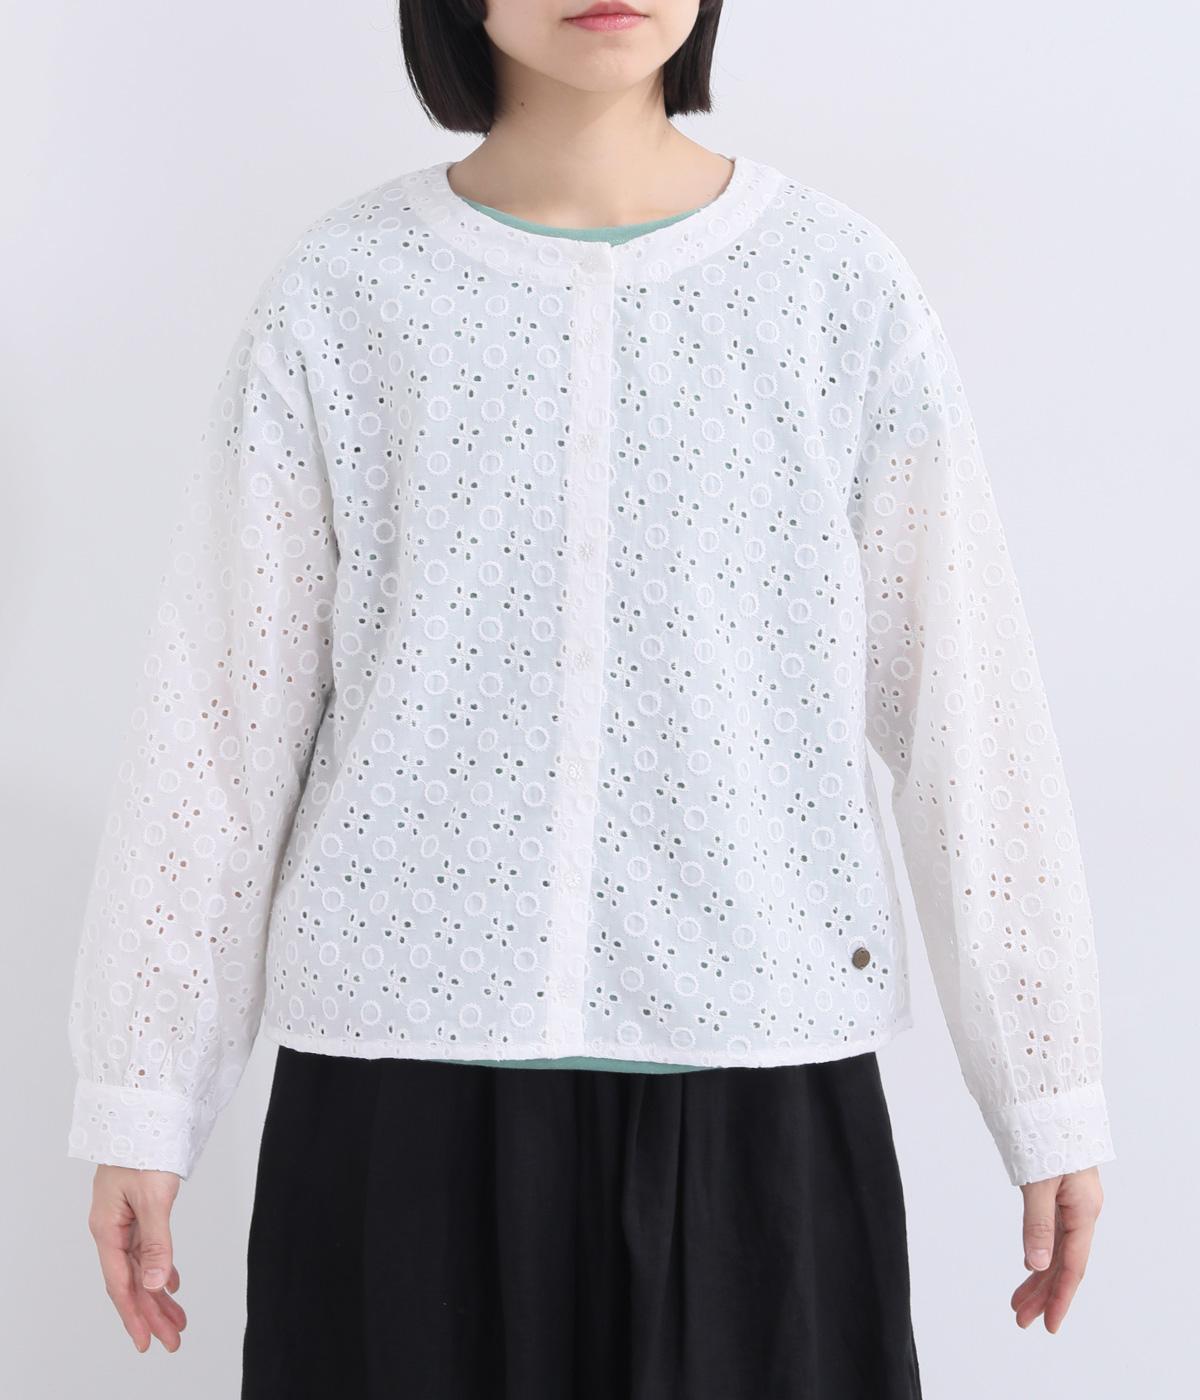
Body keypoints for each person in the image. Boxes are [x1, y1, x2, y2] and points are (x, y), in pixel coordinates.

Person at [65, 2, 1115, 1395]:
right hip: (399, 1108)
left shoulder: (838, 291)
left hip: (760, 1101)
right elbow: (219, 721)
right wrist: (142, 1093)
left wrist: (1047, 1086)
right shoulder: (341, 297)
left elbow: (966, 714)